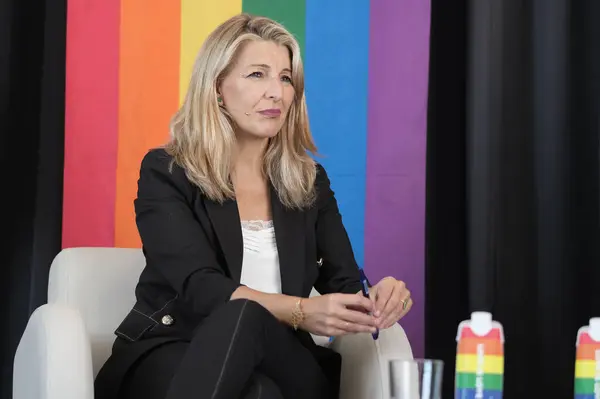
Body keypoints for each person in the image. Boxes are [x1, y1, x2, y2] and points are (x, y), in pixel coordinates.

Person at [94, 13, 413, 399]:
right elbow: (202, 288)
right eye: (257, 75)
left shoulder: (309, 181)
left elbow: (345, 287)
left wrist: (380, 296)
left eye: (284, 78)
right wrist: (300, 310)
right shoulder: (168, 172)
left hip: (285, 358)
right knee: (258, 391)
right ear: (217, 88)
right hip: (176, 348)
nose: (276, 92)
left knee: (253, 334)